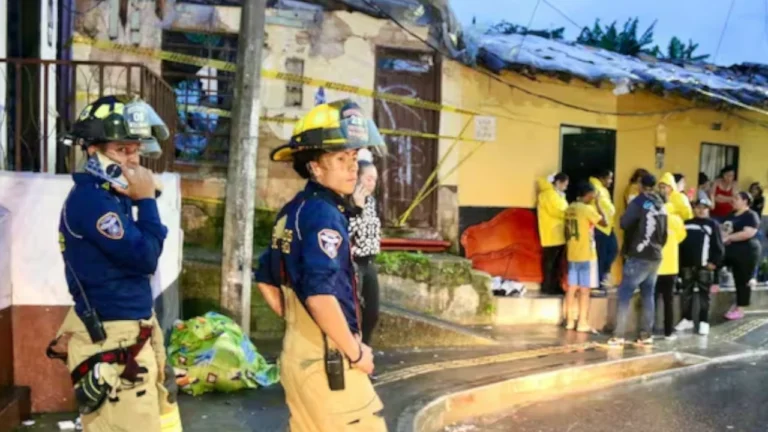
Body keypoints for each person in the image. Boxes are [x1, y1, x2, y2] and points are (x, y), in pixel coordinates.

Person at [46, 95, 181, 431]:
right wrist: (147, 201)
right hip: (116, 341)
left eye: (135, 149)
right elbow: (145, 256)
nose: (133, 160)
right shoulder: (93, 202)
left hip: (132, 329)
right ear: (93, 150)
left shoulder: (112, 198)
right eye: (122, 150)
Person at [254, 99, 388, 431]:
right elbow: (320, 296)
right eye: (340, 158)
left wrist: (300, 326)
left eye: (354, 158)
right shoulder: (324, 215)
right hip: (332, 365)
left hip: (301, 357)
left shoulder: (294, 209)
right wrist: (355, 351)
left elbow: (265, 276)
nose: (352, 168)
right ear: (315, 167)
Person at [609, 174, 668, 347]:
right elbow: (664, 233)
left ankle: (619, 335)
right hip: (655, 256)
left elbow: (624, 223)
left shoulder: (639, 201)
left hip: (639, 254)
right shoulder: (661, 204)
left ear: (641, 185)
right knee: (648, 294)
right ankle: (645, 335)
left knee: (625, 294)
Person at [676, 198, 725, 336]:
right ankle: (687, 318)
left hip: (704, 266)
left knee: (704, 295)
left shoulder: (713, 225)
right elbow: (680, 245)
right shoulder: (686, 224)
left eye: (704, 207)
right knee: (686, 294)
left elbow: (719, 247)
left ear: (709, 209)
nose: (701, 210)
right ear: (694, 208)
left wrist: (714, 263)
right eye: (698, 207)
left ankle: (704, 321)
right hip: (687, 265)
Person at [563, 182, 607, 332]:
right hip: (586, 253)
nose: (593, 196)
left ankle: (569, 321)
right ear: (588, 194)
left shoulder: (570, 208)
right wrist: (599, 204)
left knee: (571, 288)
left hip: (572, 252)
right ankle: (582, 322)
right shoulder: (587, 209)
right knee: (584, 290)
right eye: (592, 194)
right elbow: (605, 222)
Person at [349, 156, 382, 350]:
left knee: (372, 312)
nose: (372, 183)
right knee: (353, 312)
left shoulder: (372, 202)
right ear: (358, 178)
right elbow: (347, 231)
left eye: (375, 179)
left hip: (369, 262)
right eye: (368, 178)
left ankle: (364, 348)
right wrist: (357, 208)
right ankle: (352, 353)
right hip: (353, 262)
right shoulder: (349, 200)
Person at [721, 192, 762, 321]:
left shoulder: (751, 215)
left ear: (745, 201)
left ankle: (740, 308)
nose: (733, 200)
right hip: (729, 250)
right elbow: (723, 229)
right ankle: (715, 285)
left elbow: (748, 233)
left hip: (746, 251)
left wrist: (729, 237)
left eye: (736, 198)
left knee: (742, 279)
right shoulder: (731, 215)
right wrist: (723, 237)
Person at [654, 202, 687, 340]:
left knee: (652, 300)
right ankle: (668, 332)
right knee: (669, 301)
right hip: (671, 267)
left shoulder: (655, 219)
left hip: (655, 266)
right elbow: (681, 237)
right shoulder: (677, 220)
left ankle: (649, 331)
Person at [537, 173, 570, 295]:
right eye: (565, 185)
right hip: (552, 234)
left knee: (554, 263)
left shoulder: (554, 194)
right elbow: (558, 211)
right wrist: (570, 212)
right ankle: (548, 286)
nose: (565, 188)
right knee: (551, 262)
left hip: (555, 233)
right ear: (558, 182)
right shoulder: (549, 195)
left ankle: (553, 286)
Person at [589, 169, 617, 292]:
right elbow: (602, 206)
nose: (610, 181)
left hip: (608, 227)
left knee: (613, 250)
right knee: (601, 256)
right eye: (609, 178)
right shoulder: (595, 188)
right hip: (599, 226)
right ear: (602, 178)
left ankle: (603, 278)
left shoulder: (603, 190)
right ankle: (598, 283)